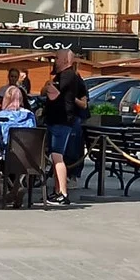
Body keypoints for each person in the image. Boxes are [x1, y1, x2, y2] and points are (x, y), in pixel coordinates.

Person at [42, 49, 88, 206]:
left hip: (61, 120)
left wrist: (48, 86)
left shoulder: (67, 76)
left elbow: (52, 93)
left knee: (57, 156)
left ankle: (63, 193)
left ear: (65, 60)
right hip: (57, 120)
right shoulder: (63, 76)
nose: (55, 60)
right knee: (55, 156)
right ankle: (57, 191)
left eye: (57, 58)